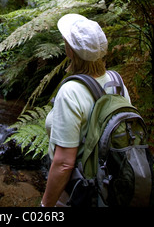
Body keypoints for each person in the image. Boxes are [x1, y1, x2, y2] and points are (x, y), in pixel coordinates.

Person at [41, 13, 131, 207]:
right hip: (110, 183)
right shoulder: (116, 82)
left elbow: (64, 163)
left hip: (77, 190)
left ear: (70, 52)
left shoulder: (71, 91)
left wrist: (45, 206)